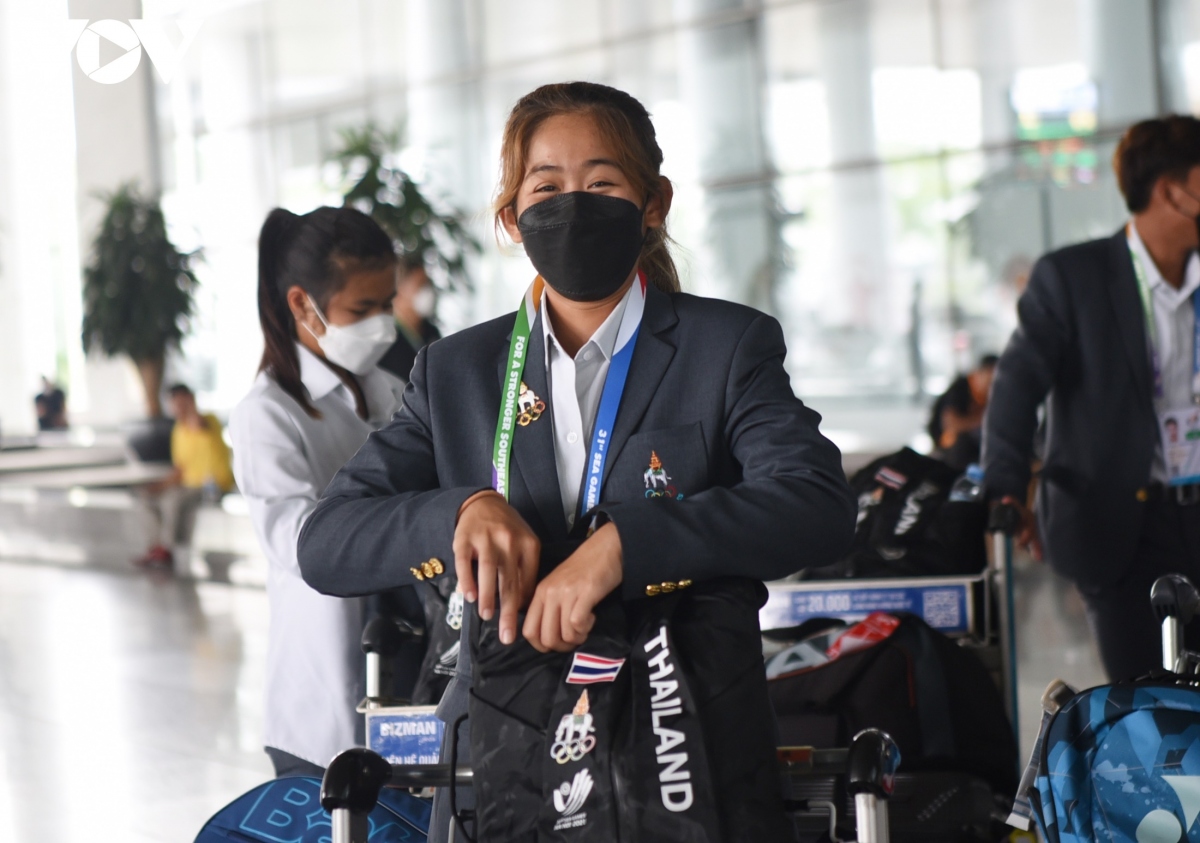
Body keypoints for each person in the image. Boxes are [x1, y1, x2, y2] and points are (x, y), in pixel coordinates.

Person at [297, 82, 854, 841]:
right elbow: (326, 542)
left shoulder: (724, 348)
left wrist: (628, 545)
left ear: (652, 202)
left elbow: (815, 504)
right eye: (547, 186)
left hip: (682, 740)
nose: (574, 204)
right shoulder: (457, 373)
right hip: (501, 751)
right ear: (511, 217)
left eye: (602, 183)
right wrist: (458, 510)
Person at [983, 115, 1200, 681]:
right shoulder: (1073, 279)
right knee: (1144, 708)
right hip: (1120, 522)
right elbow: (1017, 382)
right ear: (1169, 190)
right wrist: (1006, 487)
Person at [229, 206, 406, 778]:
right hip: (321, 710)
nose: (382, 323)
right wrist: (405, 520)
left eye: (387, 304)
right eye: (362, 309)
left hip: (405, 680)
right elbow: (301, 546)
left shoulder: (394, 391)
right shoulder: (268, 415)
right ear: (303, 304)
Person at [136, 384, 234, 570]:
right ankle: (155, 547)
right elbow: (179, 469)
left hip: (213, 484)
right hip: (188, 484)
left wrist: (190, 407)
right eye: (175, 403)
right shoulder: (178, 431)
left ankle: (167, 549)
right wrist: (157, 487)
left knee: (172, 500)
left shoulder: (208, 420)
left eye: (182, 401)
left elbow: (198, 424)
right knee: (146, 500)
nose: (178, 407)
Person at [377, 252, 442, 381]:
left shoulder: (432, 333)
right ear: (399, 291)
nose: (428, 291)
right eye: (421, 286)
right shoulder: (385, 341)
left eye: (428, 284)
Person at [927, 355, 997, 471]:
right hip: (950, 446)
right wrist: (984, 420)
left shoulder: (990, 393)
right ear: (980, 372)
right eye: (991, 379)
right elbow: (951, 424)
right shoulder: (961, 388)